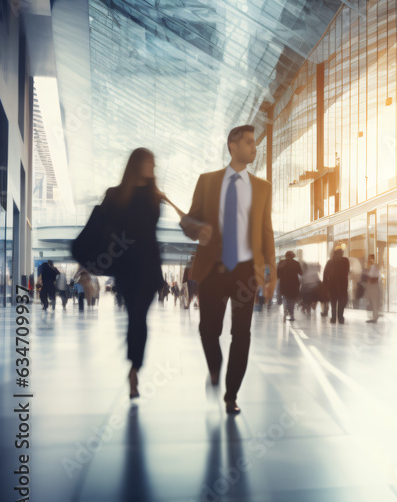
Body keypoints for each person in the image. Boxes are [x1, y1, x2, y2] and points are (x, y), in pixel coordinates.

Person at [181, 125, 276, 415]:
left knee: (242, 334)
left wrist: (270, 275)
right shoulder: (208, 182)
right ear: (232, 146)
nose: (254, 148)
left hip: (246, 271)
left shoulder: (263, 187)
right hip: (213, 268)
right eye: (249, 143)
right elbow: (188, 222)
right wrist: (200, 230)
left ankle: (231, 394)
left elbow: (267, 232)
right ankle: (214, 366)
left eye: (255, 144)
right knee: (208, 330)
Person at [99, 148, 166, 399]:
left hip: (148, 268)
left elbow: (149, 230)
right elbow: (105, 226)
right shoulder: (115, 195)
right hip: (126, 268)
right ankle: (134, 368)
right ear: (137, 164)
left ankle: (134, 367)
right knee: (135, 317)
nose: (153, 168)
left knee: (139, 317)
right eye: (150, 163)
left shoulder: (155, 197)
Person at [323, 248, 350, 324]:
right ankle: (340, 318)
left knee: (333, 302)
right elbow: (347, 271)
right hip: (342, 285)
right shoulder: (345, 261)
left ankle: (334, 318)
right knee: (341, 302)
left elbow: (325, 274)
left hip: (332, 285)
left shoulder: (330, 262)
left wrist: (325, 284)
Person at [277, 251, 302, 321]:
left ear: (285, 255)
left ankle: (285, 314)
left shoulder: (281, 263)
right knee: (292, 301)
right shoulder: (296, 263)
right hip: (294, 284)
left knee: (285, 299)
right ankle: (292, 315)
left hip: (284, 283)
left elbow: (277, 275)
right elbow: (301, 273)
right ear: (293, 256)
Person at [363, 254, 381, 322]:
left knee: (373, 301)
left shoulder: (374, 267)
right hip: (374, 286)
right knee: (373, 301)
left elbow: (372, 277)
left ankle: (375, 316)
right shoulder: (374, 267)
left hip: (373, 286)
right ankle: (374, 315)